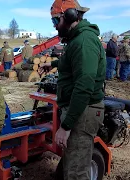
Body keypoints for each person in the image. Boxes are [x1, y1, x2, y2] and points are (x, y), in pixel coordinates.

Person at [39, 0, 106, 179]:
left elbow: (84, 87)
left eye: (55, 21)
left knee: (76, 173)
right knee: (70, 164)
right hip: (79, 111)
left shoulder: (84, 41)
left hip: (83, 113)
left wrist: (66, 126)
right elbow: (71, 61)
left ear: (69, 17)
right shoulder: (76, 40)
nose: (55, 27)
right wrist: (52, 64)